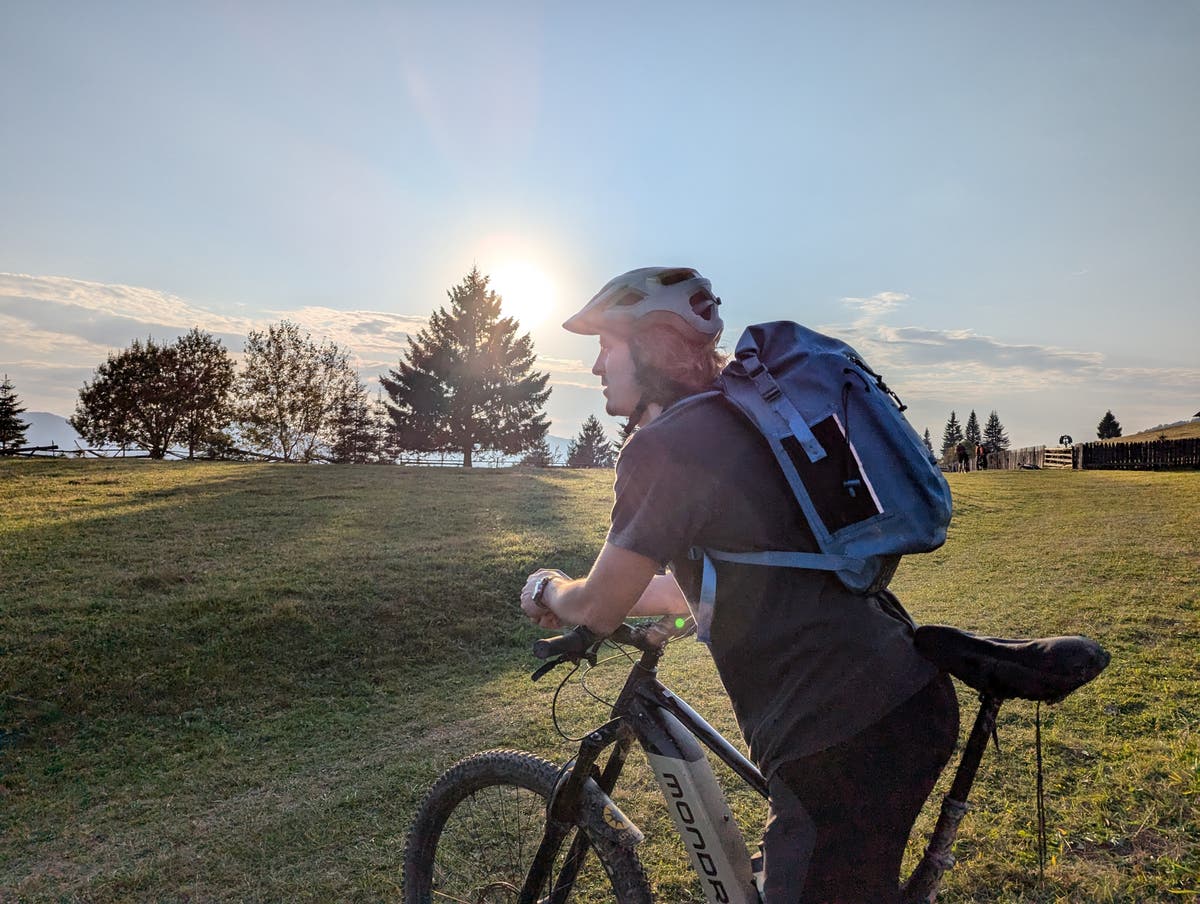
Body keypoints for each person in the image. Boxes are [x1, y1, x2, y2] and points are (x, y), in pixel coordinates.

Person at [520, 267, 959, 903]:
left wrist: (549, 590)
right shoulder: (751, 425)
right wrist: (647, 613)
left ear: (650, 348)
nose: (595, 367)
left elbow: (595, 605)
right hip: (900, 691)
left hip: (838, 735)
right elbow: (700, 585)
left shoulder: (666, 447)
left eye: (606, 347)